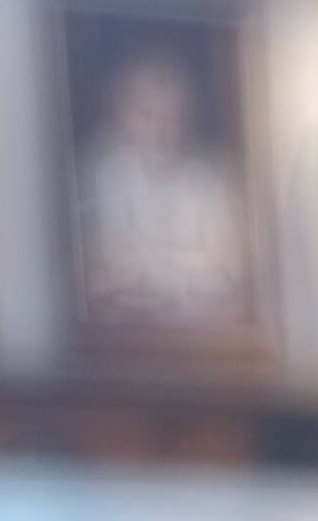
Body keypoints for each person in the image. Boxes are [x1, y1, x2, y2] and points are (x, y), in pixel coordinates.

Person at [75, 43, 248, 332]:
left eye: (173, 118)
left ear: (190, 121)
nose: (161, 131)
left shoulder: (208, 185)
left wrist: (146, 267)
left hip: (196, 326)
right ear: (122, 116)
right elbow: (101, 266)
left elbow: (229, 272)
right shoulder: (105, 174)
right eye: (147, 116)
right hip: (120, 324)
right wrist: (184, 267)